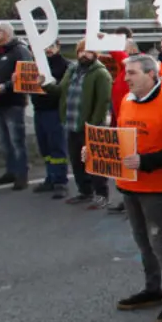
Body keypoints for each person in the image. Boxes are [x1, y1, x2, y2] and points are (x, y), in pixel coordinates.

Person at [106, 54, 162, 322]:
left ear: (151, 75)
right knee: (142, 240)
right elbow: (120, 138)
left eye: (132, 73)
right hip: (128, 184)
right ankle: (152, 289)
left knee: (159, 242)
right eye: (125, 73)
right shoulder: (127, 101)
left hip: (156, 189)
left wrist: (145, 162)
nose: (126, 77)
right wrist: (96, 151)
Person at [45, 41, 114, 209]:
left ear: (95, 53)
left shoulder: (101, 74)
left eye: (88, 51)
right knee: (77, 161)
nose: (84, 54)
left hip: (90, 126)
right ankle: (85, 191)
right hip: (71, 123)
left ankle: (101, 195)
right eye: (81, 51)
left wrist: (94, 125)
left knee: (95, 163)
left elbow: (103, 102)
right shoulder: (72, 69)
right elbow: (61, 90)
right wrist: (45, 84)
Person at [0, 21, 34, 190]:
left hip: (14, 101)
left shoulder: (19, 50)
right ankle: (11, 171)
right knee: (4, 141)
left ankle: (22, 174)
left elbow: (26, 75)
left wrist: (6, 86)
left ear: (6, 33)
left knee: (16, 140)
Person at [30, 42, 71, 197]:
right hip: (39, 109)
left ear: (58, 47)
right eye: (44, 46)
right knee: (45, 148)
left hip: (54, 111)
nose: (47, 49)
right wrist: (17, 79)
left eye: (51, 46)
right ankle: (50, 177)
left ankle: (60, 181)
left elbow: (63, 90)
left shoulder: (65, 66)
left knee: (57, 146)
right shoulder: (34, 65)